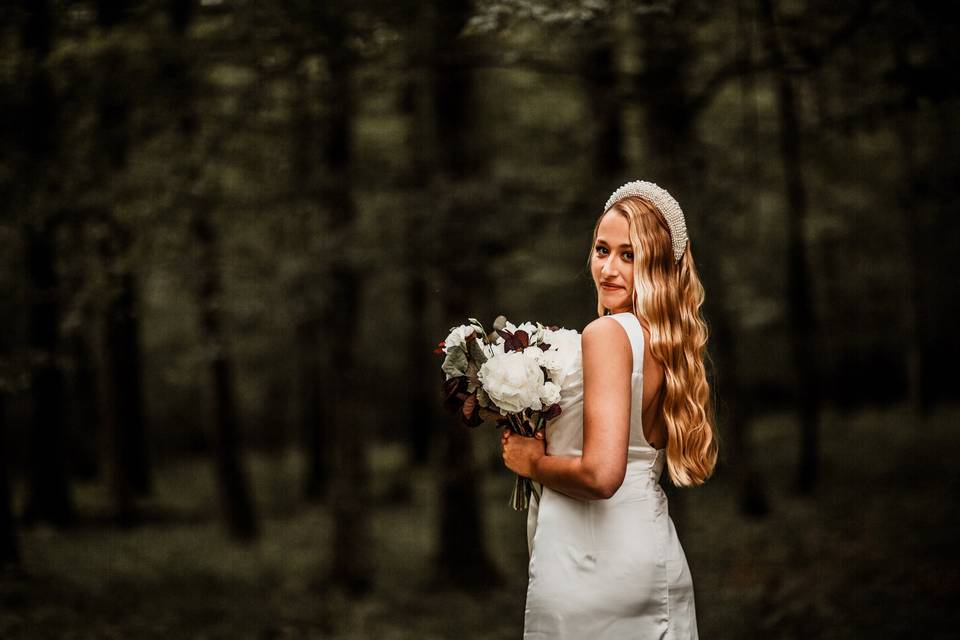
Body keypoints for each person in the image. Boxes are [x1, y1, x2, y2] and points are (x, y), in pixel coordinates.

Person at [501, 180, 718, 639]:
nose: (609, 268)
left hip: (591, 563)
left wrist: (532, 461)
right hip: (653, 552)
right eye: (602, 250)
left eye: (629, 255)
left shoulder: (607, 335)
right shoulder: (666, 342)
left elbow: (602, 475)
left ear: (657, 265)